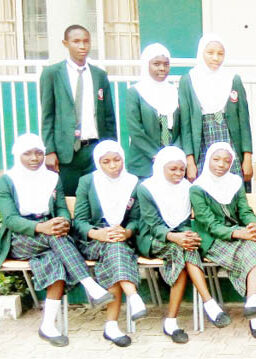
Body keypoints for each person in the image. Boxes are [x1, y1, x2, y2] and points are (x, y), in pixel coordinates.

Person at [0, 134, 113, 347]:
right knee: (57, 238)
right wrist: (42, 227)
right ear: (17, 155)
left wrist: (63, 220)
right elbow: (10, 219)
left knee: (53, 260)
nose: (34, 158)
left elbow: (61, 206)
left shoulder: (52, 177)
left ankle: (48, 326)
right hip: (22, 236)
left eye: (39, 153)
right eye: (28, 153)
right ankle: (89, 284)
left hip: (50, 234)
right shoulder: (8, 179)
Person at [137, 146, 230, 344]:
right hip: (153, 239)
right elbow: (153, 225)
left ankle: (171, 321)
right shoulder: (147, 188)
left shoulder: (188, 188)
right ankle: (209, 303)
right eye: (173, 169)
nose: (179, 173)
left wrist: (186, 235)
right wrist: (176, 237)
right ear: (162, 167)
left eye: (182, 169)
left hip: (181, 240)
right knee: (182, 249)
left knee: (186, 249)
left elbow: (187, 221)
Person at [190, 142, 256, 339]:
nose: (221, 164)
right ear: (208, 160)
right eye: (217, 159)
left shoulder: (235, 182)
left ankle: (252, 302)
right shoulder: (197, 188)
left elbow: (244, 210)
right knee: (251, 246)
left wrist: (253, 224)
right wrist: (241, 233)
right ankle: (254, 310)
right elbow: (210, 225)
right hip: (212, 240)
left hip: (238, 233)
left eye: (227, 161)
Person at [73, 140, 147, 346]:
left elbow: (137, 218)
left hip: (123, 240)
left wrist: (127, 231)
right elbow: (79, 220)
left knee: (115, 251)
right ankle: (133, 296)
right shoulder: (88, 182)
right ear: (98, 162)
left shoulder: (133, 182)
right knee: (114, 251)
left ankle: (112, 326)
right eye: (106, 162)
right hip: (95, 241)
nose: (113, 166)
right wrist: (99, 234)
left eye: (117, 160)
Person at [40, 24, 116, 195]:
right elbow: (47, 116)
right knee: (68, 199)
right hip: (66, 152)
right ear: (65, 43)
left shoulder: (99, 75)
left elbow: (109, 117)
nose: (82, 46)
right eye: (76, 41)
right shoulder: (52, 74)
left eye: (86, 41)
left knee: (96, 199)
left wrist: (111, 147)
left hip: (95, 148)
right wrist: (49, 150)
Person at [179, 34, 253, 184]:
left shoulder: (232, 79)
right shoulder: (189, 80)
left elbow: (244, 121)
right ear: (201, 53)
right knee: (205, 187)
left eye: (220, 54)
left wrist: (247, 157)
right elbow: (185, 125)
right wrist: (190, 161)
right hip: (202, 140)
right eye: (210, 53)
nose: (215, 58)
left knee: (234, 182)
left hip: (229, 136)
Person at [126, 43, 182, 178]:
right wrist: (156, 155)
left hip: (173, 163)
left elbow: (182, 128)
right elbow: (135, 130)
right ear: (146, 64)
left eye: (166, 64)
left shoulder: (174, 91)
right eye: (156, 64)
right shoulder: (136, 92)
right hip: (144, 163)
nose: (162, 68)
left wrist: (173, 152)